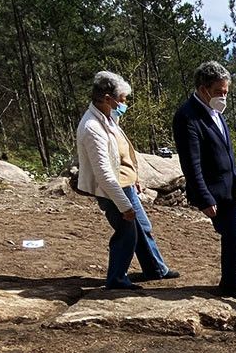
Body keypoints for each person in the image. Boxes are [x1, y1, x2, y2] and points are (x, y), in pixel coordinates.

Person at [76, 71, 178, 290]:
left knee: (142, 226)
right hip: (112, 190)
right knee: (127, 232)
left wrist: (135, 177)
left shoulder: (109, 118)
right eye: (121, 100)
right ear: (107, 98)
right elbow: (104, 173)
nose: (124, 104)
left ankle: (156, 268)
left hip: (126, 184)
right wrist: (124, 205)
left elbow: (122, 152)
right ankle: (116, 278)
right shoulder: (92, 128)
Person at [172, 61, 236, 302]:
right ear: (203, 88)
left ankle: (233, 277)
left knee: (235, 237)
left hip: (228, 188)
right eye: (219, 91)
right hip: (212, 191)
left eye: (226, 92)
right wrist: (204, 197)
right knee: (234, 237)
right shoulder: (188, 117)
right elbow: (191, 163)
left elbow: (226, 150)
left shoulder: (214, 111)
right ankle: (230, 284)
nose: (223, 96)